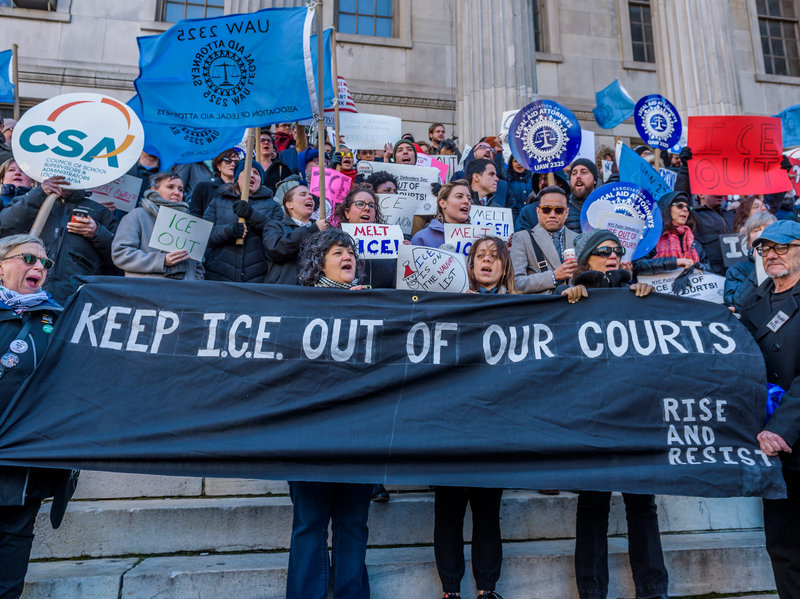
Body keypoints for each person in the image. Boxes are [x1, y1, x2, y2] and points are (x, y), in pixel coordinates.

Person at [560, 230, 669, 599]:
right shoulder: (569, 300)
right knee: (592, 503)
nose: (611, 256)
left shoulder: (639, 296)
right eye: (603, 251)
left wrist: (649, 302)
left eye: (617, 251)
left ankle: (653, 590)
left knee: (643, 502)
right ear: (588, 258)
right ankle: (592, 592)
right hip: (590, 417)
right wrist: (565, 299)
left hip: (635, 413)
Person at [287, 227, 372, 599]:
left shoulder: (374, 304)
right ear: (319, 262)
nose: (347, 256)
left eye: (350, 251)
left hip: (360, 432)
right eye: (337, 251)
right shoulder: (298, 307)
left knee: (354, 523)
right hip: (310, 435)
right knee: (310, 523)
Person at [433, 235, 512, 599]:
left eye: (494, 257)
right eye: (480, 255)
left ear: (504, 266)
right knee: (449, 510)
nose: (486, 261)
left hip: (494, 424)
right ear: (470, 264)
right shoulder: (450, 305)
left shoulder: (521, 308)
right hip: (451, 422)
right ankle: (451, 590)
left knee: (487, 511)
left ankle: (486, 589)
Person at [0, 234, 77, 599]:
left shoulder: (60, 320)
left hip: (23, 462)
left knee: (14, 540)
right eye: (28, 258)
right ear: (0, 266)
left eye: (44, 263)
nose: (38, 268)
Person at [739, 220, 800, 599]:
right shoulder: (753, 302)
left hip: (786, 433)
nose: (771, 254)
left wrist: (782, 426)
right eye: (764, 249)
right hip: (770, 450)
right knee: (783, 547)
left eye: (780, 246)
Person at [0, 175, 118, 304]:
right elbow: (3, 227)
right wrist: (40, 193)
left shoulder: (99, 211)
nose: (64, 179)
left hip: (76, 297)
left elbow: (118, 258)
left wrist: (97, 233)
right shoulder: (28, 200)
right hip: (24, 293)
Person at [112, 172, 203, 280]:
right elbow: (121, 254)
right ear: (153, 190)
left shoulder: (189, 224)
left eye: (181, 189)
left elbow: (198, 266)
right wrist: (162, 260)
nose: (176, 192)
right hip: (147, 292)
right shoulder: (138, 215)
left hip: (183, 293)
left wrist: (194, 282)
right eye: (170, 187)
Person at [203, 161, 282, 283]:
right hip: (218, 276)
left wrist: (252, 215)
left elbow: (277, 237)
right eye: (246, 172)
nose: (251, 175)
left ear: (261, 180)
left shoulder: (273, 206)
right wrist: (229, 231)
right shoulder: (218, 201)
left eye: (256, 173)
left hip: (257, 279)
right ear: (237, 177)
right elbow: (203, 234)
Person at [511, 185, 577, 294]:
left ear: (567, 213)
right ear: (538, 212)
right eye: (546, 210)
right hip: (541, 306)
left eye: (559, 210)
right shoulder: (522, 238)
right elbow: (516, 283)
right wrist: (553, 276)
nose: (552, 215)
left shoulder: (578, 239)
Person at [263, 177, 329, 285]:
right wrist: (312, 230)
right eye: (303, 194)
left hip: (315, 291)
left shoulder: (324, 230)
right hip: (284, 290)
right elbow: (276, 250)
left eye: (311, 195)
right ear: (289, 205)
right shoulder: (275, 226)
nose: (310, 197)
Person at [334, 188, 395, 289]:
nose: (367, 208)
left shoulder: (392, 241)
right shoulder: (332, 242)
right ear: (347, 213)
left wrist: (405, 254)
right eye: (360, 204)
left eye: (371, 205)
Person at [724, 211, 776, 312]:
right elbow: (734, 305)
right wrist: (759, 265)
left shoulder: (786, 261)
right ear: (749, 241)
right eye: (756, 230)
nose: (762, 233)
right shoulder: (737, 269)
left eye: (767, 228)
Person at [410, 179, 471, 247]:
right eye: (459, 196)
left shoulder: (479, 237)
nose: (467, 201)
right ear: (443, 203)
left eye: (469, 198)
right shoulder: (421, 238)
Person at [188, 149, 240, 218]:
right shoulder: (204, 188)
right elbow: (195, 216)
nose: (233, 164)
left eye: (236, 162)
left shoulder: (244, 191)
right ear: (218, 165)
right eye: (227, 161)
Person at [692, 193, 734, 275]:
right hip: (712, 274)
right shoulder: (693, 216)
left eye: (720, 191)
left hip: (734, 272)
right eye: (714, 191)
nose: (720, 194)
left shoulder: (730, 214)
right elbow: (682, 195)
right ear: (701, 194)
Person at [564, 159, 599, 233]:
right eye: (574, 173)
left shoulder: (605, 206)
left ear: (594, 180)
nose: (578, 176)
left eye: (584, 172)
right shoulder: (561, 209)